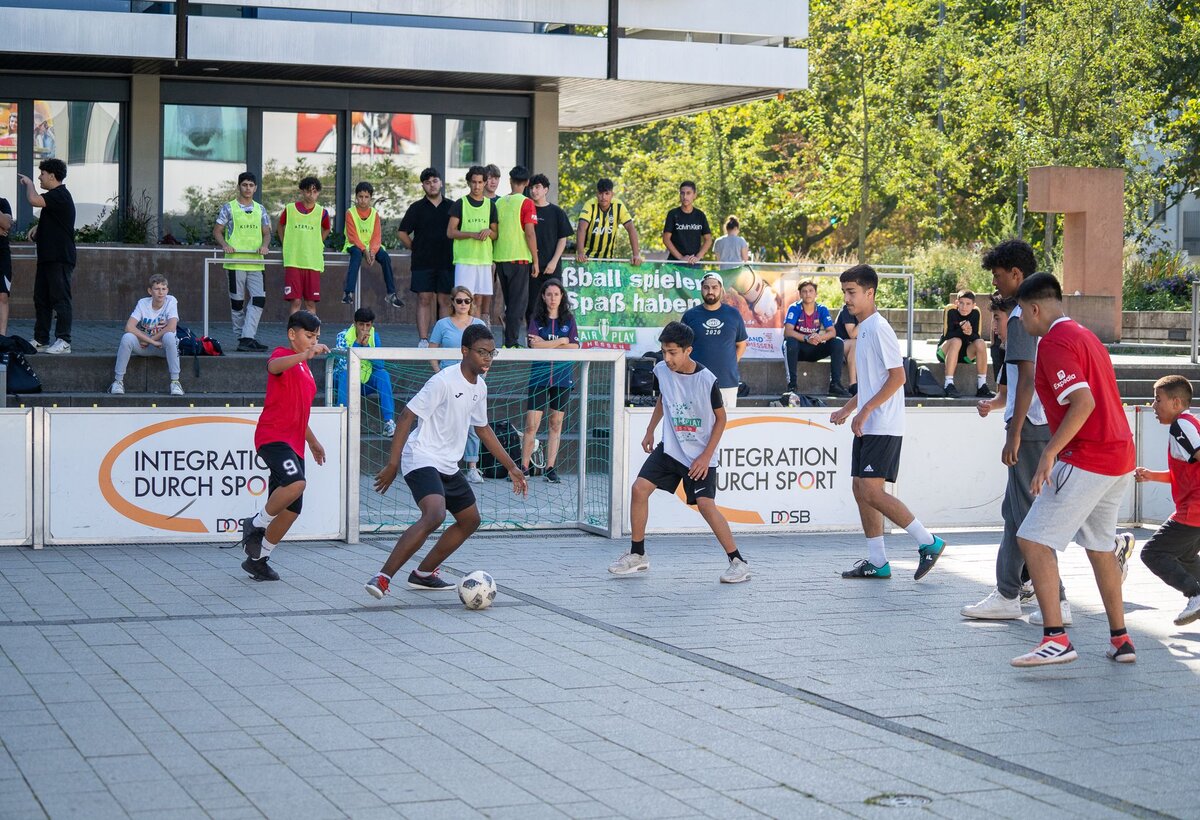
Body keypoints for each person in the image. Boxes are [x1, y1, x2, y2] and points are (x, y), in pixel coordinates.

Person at [1010, 272, 1136, 667]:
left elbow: (1082, 403)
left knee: (1032, 540)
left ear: (1033, 309)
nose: (1022, 324)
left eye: (1021, 315)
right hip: (1119, 457)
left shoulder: (1053, 342)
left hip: (1088, 457)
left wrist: (1049, 452)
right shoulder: (1086, 335)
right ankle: (1121, 640)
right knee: (1100, 547)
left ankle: (1056, 638)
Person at [365, 325, 528, 596]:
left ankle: (424, 573)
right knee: (435, 514)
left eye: (491, 353)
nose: (487, 358)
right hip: (421, 456)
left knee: (470, 519)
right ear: (464, 351)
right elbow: (407, 416)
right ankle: (382, 577)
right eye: (481, 352)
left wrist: (511, 466)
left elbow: (483, 428)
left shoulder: (480, 387)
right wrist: (393, 464)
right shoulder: (443, 381)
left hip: (448, 464)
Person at [962, 241, 1071, 622]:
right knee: (1015, 511)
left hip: (1032, 427)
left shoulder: (1020, 316)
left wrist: (1014, 431)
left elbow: (1026, 378)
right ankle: (1014, 591)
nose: (994, 282)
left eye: (997, 275)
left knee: (1026, 513)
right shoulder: (1044, 314)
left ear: (1016, 275)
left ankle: (1043, 597)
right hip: (1041, 424)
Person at [609, 321, 749, 583]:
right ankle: (638, 554)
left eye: (673, 352)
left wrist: (706, 457)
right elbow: (664, 398)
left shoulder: (707, 380)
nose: (667, 357)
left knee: (706, 506)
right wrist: (651, 429)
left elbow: (721, 419)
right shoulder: (661, 370)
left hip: (699, 454)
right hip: (671, 449)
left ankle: (738, 561)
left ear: (688, 351)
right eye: (663, 351)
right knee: (639, 489)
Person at [831, 264, 946, 581]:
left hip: (883, 425)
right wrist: (848, 409)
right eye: (844, 293)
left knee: (871, 491)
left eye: (852, 292)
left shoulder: (879, 328)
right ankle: (877, 561)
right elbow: (871, 382)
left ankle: (928, 542)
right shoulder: (863, 328)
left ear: (870, 293)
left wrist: (866, 411)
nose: (847, 299)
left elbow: (898, 378)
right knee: (860, 488)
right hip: (869, 424)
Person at [237, 311, 329, 582]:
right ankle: (255, 524)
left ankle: (258, 559)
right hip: (273, 437)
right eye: (308, 336)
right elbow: (273, 367)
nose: (313, 342)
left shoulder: (307, 371)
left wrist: (312, 442)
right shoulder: (283, 355)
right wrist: (304, 355)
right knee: (296, 482)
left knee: (292, 509)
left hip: (295, 443)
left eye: (316, 338)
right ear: (292, 335)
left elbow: (300, 412)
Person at [1136, 375, 1200, 626]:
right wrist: (1152, 475)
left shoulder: (1181, 426)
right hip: (1194, 508)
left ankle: (1194, 594)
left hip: (1194, 509)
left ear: (1176, 403)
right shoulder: (1189, 424)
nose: (1153, 405)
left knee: (1153, 553)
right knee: (1185, 557)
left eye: (1157, 399)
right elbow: (1185, 472)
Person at [429, 286, 488, 482]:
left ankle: (472, 467)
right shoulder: (442, 324)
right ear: (452, 302)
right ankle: (443, 465)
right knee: (445, 424)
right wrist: (439, 374)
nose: (463, 304)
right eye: (459, 300)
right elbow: (432, 351)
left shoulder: (479, 324)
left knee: (473, 424)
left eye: (467, 301)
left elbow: (486, 352)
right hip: (447, 382)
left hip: (471, 382)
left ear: (472, 303)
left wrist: (481, 374)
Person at [523, 279, 578, 484]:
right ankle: (524, 467)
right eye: (549, 294)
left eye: (556, 294)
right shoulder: (537, 319)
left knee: (556, 424)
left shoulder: (569, 320)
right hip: (539, 377)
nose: (553, 298)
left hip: (563, 378)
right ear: (543, 297)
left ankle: (550, 468)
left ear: (562, 296)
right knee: (531, 424)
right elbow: (534, 346)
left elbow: (575, 347)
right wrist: (561, 341)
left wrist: (548, 344)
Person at [18, 158, 75, 354]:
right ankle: (41, 339)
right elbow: (55, 220)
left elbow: (34, 200)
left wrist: (29, 184)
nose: (39, 177)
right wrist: (38, 227)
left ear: (52, 175)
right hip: (47, 258)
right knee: (41, 298)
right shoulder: (55, 198)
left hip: (59, 258)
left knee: (61, 299)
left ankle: (64, 340)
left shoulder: (60, 195)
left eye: (42, 174)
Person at [213, 171, 270, 352]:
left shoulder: (260, 209)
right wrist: (225, 245)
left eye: (251, 185)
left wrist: (265, 246)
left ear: (256, 188)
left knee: (259, 299)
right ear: (239, 187)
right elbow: (217, 230)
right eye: (244, 185)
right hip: (236, 262)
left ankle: (247, 337)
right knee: (237, 303)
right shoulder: (229, 207)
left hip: (255, 262)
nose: (248, 188)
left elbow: (267, 233)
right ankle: (242, 338)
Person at [398, 167, 454, 346]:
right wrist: (415, 248)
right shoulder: (416, 208)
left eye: (435, 181)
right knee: (424, 299)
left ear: (441, 183)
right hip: (423, 262)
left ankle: (444, 340)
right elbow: (402, 233)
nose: (432, 185)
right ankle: (423, 339)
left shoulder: (452, 206)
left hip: (447, 261)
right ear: (423, 185)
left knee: (445, 300)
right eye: (428, 183)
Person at [108, 274, 183, 396]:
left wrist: (150, 340)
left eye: (163, 289)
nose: (160, 292)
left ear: (167, 291)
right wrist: (151, 342)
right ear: (150, 291)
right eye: (157, 289)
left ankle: (175, 382)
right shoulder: (143, 303)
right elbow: (129, 327)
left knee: (169, 336)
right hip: (145, 347)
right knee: (127, 338)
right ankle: (118, 381)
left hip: (164, 347)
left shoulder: (171, 301)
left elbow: (171, 327)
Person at [680, 273, 747, 409]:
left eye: (714, 287)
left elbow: (741, 344)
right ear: (701, 289)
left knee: (727, 425)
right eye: (706, 287)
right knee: (697, 424)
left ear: (721, 289)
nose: (710, 291)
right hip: (696, 380)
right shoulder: (690, 316)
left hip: (727, 382)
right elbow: (682, 347)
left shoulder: (733, 314)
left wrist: (730, 363)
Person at [493, 165, 539, 347]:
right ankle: (511, 343)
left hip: (501, 258)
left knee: (510, 303)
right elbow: (530, 233)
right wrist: (536, 260)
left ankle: (508, 340)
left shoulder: (499, 202)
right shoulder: (527, 203)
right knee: (517, 305)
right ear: (527, 183)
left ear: (510, 181)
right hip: (519, 258)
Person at [333, 307, 396, 437]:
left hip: (365, 381)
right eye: (361, 325)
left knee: (383, 375)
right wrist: (357, 343)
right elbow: (344, 364)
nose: (364, 329)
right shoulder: (342, 336)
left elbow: (380, 365)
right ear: (355, 323)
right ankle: (341, 420)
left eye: (368, 325)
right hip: (345, 382)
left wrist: (366, 347)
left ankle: (389, 421)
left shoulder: (374, 336)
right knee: (344, 374)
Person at [447, 166, 498, 327]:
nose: (477, 186)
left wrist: (489, 231)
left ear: (485, 183)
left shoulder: (491, 205)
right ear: (469, 183)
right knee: (464, 298)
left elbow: (496, 235)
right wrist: (471, 234)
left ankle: (475, 331)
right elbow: (450, 232)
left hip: (483, 259)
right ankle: (463, 330)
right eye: (474, 182)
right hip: (465, 259)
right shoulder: (460, 204)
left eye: (480, 182)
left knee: (480, 298)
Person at [782, 279, 850, 398]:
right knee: (790, 342)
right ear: (800, 294)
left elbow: (832, 332)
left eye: (810, 291)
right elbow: (787, 331)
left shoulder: (822, 309)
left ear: (816, 293)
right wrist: (806, 337)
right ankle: (792, 385)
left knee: (837, 342)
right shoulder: (794, 308)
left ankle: (835, 385)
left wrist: (820, 337)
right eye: (804, 291)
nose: (808, 294)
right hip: (798, 349)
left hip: (814, 347)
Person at [342, 181, 402, 308]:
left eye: (366, 197)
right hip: (355, 244)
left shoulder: (374, 213)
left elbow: (376, 236)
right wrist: (365, 250)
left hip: (372, 246)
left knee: (385, 257)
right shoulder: (350, 213)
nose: (363, 200)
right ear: (356, 197)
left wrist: (373, 252)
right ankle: (348, 292)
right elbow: (352, 236)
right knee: (356, 255)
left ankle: (391, 294)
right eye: (360, 196)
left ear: (370, 198)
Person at [278, 176, 330, 316]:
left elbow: (327, 228)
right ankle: (293, 336)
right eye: (308, 191)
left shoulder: (322, 212)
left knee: (310, 303)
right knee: (295, 301)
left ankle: (313, 336)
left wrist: (319, 241)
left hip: (312, 262)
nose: (311, 195)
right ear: (302, 192)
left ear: (318, 193)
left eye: (314, 191)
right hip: (294, 261)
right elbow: (280, 225)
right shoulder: (290, 209)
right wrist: (285, 242)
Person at [528, 173, 572, 320]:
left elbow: (562, 239)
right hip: (531, 267)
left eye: (538, 187)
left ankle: (553, 338)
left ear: (546, 190)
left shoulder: (557, 212)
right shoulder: (526, 210)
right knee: (532, 305)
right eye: (532, 188)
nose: (534, 191)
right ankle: (532, 338)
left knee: (555, 304)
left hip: (552, 266)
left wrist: (554, 261)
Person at [937, 290, 993, 398]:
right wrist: (962, 330)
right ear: (957, 303)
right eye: (961, 303)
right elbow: (947, 335)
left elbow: (976, 336)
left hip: (964, 353)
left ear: (973, 305)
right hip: (946, 351)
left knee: (981, 343)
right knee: (956, 340)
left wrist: (970, 333)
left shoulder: (976, 313)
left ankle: (982, 385)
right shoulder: (951, 311)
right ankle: (948, 383)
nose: (964, 307)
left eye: (968, 304)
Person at [575, 178, 644, 266]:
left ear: (612, 194)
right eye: (600, 193)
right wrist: (580, 253)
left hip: (607, 260)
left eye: (607, 193)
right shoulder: (590, 205)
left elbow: (631, 228)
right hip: (586, 259)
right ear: (597, 194)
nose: (603, 197)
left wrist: (636, 255)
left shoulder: (618, 206)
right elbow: (581, 228)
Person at [662, 181, 712, 264]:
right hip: (675, 263)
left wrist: (698, 257)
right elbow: (666, 239)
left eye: (688, 193)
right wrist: (680, 257)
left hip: (694, 264)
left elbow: (708, 240)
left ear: (694, 195)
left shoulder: (700, 215)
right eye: (682, 193)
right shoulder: (673, 214)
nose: (685, 196)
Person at [834, 304, 858, 393]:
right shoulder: (848, 308)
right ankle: (853, 384)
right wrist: (865, 319)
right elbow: (852, 334)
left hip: (856, 347)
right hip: (840, 345)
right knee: (855, 343)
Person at [0, 193, 12, 336]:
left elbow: (7, 224)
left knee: (2, 295)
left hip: (2, 256)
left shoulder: (3, 203)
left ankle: (1, 336)